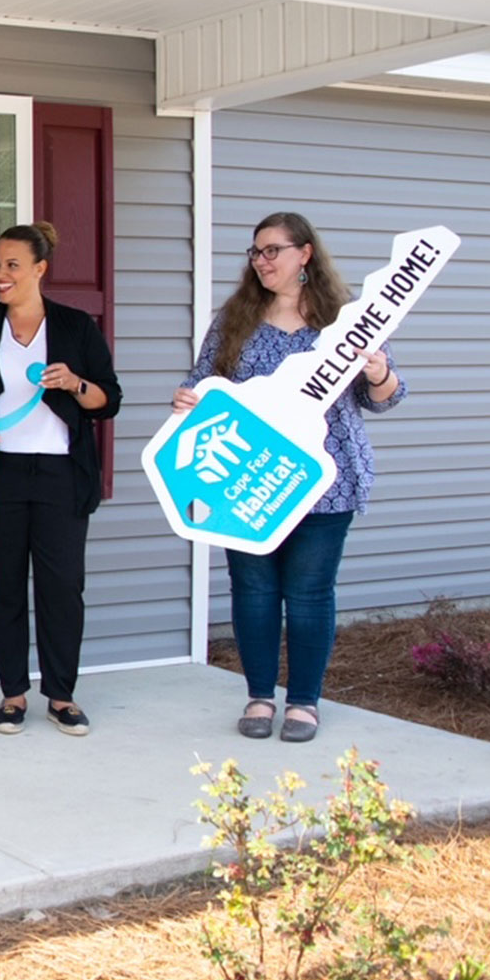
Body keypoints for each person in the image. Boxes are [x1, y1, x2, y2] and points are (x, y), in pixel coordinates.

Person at [171, 212, 403, 743]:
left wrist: (377, 372)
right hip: (248, 480)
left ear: (305, 254)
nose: (261, 261)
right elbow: (199, 385)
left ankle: (303, 702)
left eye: (272, 250)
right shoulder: (235, 320)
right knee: (252, 588)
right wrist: (187, 402)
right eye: (255, 252)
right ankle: (258, 696)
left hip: (326, 480)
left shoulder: (347, 320)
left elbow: (385, 398)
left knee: (309, 593)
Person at [0, 220, 121, 737]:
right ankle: (13, 694)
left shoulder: (75, 327)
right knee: (0, 585)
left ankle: (62, 696)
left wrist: (75, 382)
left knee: (62, 588)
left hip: (61, 475)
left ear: (39, 269)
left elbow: (107, 399)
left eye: (12, 265)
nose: (0, 274)